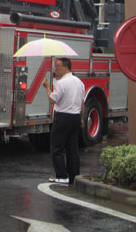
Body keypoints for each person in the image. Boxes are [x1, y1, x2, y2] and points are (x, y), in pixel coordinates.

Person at [41, 57, 85, 185]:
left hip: (62, 117)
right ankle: (74, 176)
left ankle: (61, 175)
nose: (56, 69)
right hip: (75, 117)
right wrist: (81, 118)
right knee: (72, 149)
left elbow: (52, 100)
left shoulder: (61, 83)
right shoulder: (79, 82)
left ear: (66, 67)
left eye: (58, 66)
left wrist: (47, 87)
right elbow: (82, 103)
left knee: (57, 148)